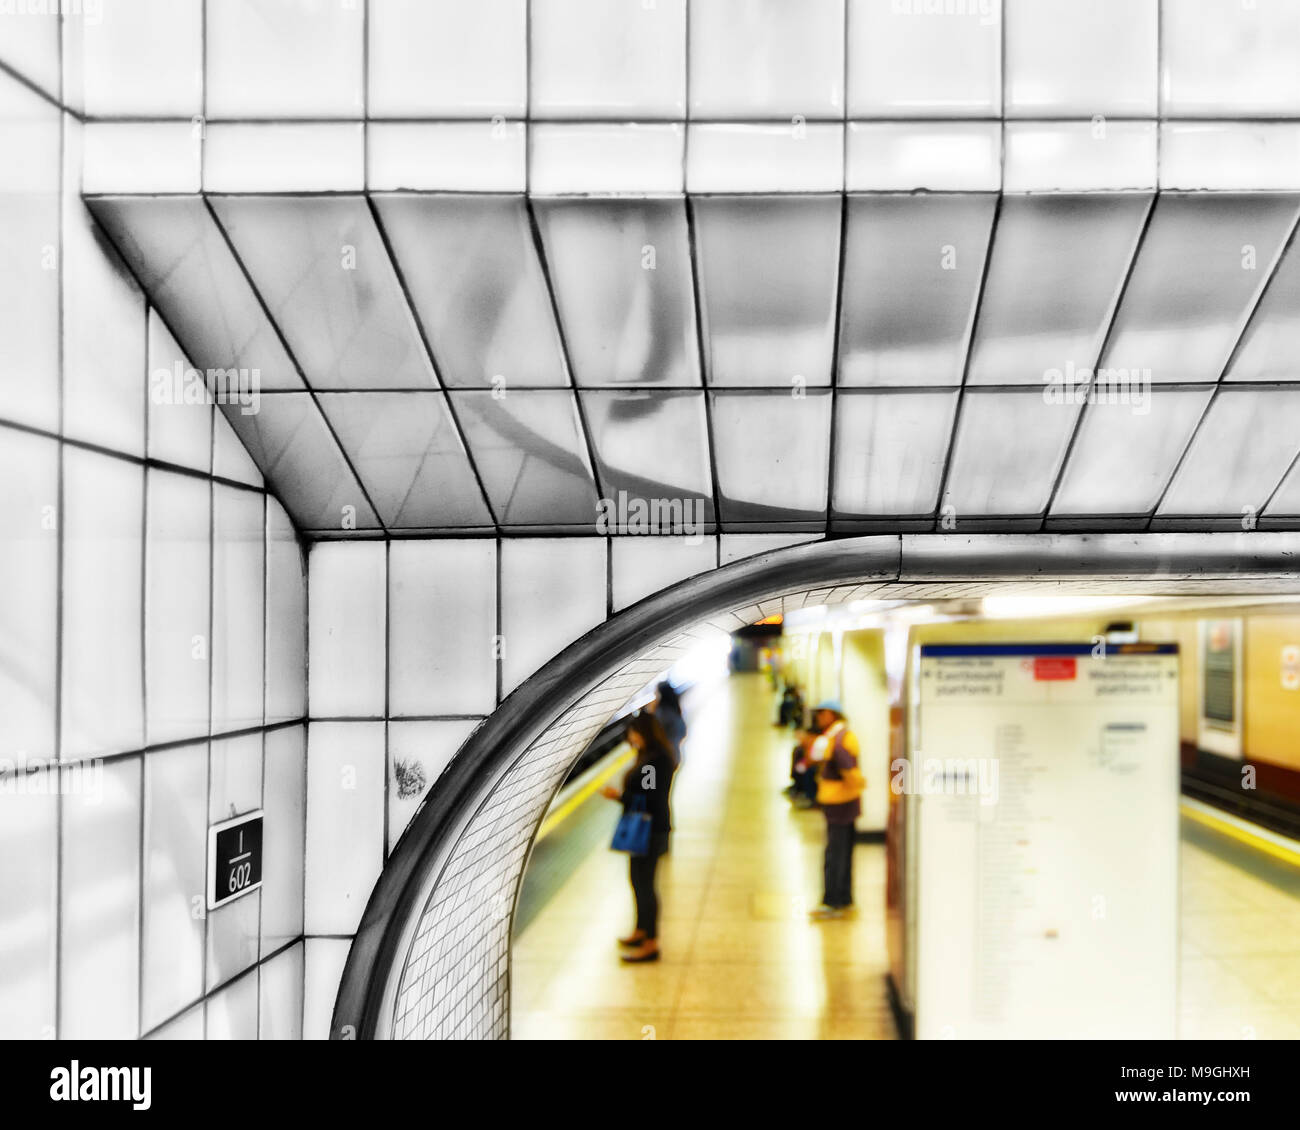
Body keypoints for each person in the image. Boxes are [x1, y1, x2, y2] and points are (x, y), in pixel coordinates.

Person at [602, 711, 679, 962]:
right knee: (638, 881)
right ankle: (641, 931)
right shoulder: (653, 757)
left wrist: (619, 796)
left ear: (643, 732)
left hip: (649, 830)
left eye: (633, 733)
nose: (631, 738)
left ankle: (651, 942)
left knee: (645, 885)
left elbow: (648, 798)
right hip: (648, 828)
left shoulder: (653, 762)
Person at [806, 700, 864, 920]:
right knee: (844, 851)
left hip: (839, 802)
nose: (819, 719)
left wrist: (854, 785)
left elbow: (846, 766)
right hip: (846, 802)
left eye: (821, 714)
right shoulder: (844, 735)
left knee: (835, 854)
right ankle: (845, 899)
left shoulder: (837, 740)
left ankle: (832, 902)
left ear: (831, 715)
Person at [652, 680, 686, 761]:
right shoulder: (674, 708)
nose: (655, 695)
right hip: (673, 746)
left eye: (656, 693)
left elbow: (653, 726)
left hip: (669, 747)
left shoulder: (662, 712)